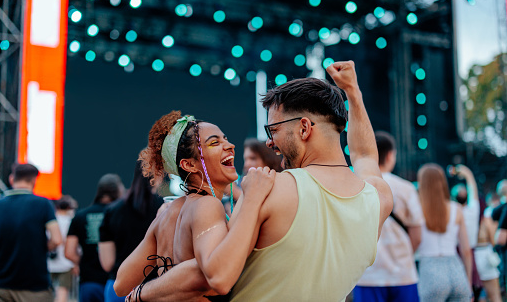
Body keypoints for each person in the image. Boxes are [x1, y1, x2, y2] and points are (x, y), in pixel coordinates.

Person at [119, 60, 393, 302]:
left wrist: (141, 295)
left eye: (273, 130)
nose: (269, 142)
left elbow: (213, 275)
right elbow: (366, 154)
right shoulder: (378, 198)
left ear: (304, 128)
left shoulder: (270, 189)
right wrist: (353, 93)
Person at [113, 111, 275, 300]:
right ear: (189, 165)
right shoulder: (207, 205)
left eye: (226, 139)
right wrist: (251, 199)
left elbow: (121, 283)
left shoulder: (167, 213)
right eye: (215, 142)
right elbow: (217, 279)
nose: (230, 146)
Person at [354, 131, 423, 302]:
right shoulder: (406, 188)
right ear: (391, 155)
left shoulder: (356, 187)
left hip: (367, 276)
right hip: (403, 275)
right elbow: (417, 235)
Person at [98, 160, 164, 302]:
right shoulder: (165, 209)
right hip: (155, 289)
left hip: (119, 288)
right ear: (158, 176)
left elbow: (107, 263)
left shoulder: (112, 210)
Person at [0, 163, 62, 302]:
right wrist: (40, 248)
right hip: (34, 286)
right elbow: (57, 239)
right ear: (34, 180)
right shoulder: (43, 204)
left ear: (11, 179)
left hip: (1, 285)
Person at [416, 163, 472, 302]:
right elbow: (466, 250)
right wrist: (468, 282)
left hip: (430, 269)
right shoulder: (456, 209)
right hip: (456, 269)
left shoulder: (417, 210)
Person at [65, 174, 123, 302]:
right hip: (117, 282)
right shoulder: (121, 215)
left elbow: (69, 252)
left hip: (89, 282)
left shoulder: (80, 216)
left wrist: (83, 262)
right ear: (118, 191)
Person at [450, 164, 482, 299]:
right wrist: (465, 172)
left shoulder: (451, 214)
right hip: (473, 257)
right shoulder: (472, 211)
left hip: (456, 257)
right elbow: (472, 185)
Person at [48, 195, 78, 302]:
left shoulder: (50, 220)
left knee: (48, 292)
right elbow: (75, 246)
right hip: (67, 262)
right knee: (62, 291)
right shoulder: (72, 221)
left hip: (49, 263)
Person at [475, 198, 502, 302]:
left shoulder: (464, 216)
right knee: (495, 295)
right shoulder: (486, 219)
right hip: (485, 255)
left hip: (471, 256)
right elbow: (493, 239)